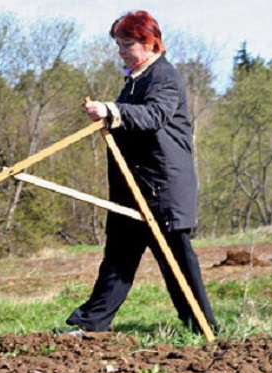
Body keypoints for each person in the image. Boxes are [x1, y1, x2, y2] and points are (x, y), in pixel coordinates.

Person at [64, 10, 218, 336]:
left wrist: (110, 110)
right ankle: (91, 325)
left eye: (127, 44)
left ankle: (203, 327)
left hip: (162, 188)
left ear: (149, 43)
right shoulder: (134, 81)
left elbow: (154, 115)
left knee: (176, 261)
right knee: (118, 258)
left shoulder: (163, 76)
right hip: (133, 189)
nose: (121, 51)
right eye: (119, 45)